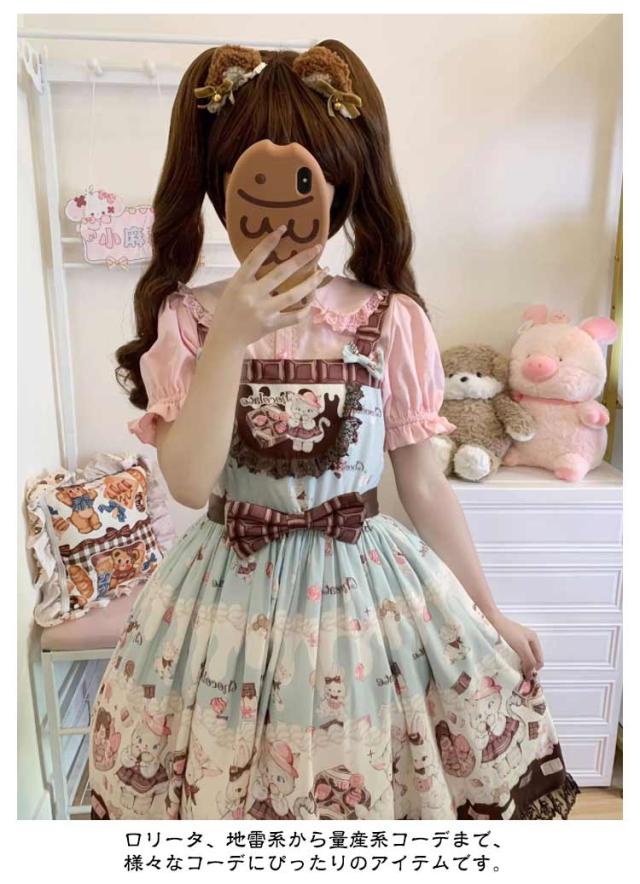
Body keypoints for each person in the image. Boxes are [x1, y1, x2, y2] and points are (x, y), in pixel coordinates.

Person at [88, 40, 579, 820]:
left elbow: (423, 485)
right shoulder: (190, 318)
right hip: (223, 600)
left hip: (362, 595)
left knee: (359, 780)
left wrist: (489, 612)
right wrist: (229, 339)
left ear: (342, 186)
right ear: (218, 186)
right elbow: (187, 481)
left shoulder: (389, 318)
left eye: (308, 182)